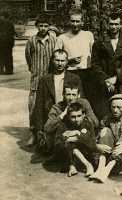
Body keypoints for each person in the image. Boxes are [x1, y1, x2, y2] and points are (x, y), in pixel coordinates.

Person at [31, 49, 83, 149]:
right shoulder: (44, 79)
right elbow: (39, 105)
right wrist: (39, 130)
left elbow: (81, 100)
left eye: (62, 61)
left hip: (71, 116)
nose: (60, 64)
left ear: (67, 61)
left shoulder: (75, 78)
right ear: (52, 61)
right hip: (52, 118)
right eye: (57, 60)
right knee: (48, 148)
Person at [55, 10, 95, 114]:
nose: (75, 24)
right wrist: (69, 61)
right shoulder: (62, 38)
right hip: (71, 73)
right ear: (69, 21)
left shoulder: (88, 35)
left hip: (87, 72)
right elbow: (55, 59)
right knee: (71, 100)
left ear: (82, 22)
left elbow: (94, 54)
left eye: (78, 21)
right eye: (73, 21)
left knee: (87, 100)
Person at [25, 14, 57, 142]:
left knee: (49, 105)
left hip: (50, 79)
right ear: (37, 26)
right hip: (37, 79)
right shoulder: (32, 41)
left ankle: (48, 133)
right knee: (33, 106)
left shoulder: (54, 39)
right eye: (41, 26)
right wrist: (34, 70)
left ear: (49, 27)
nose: (43, 28)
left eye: (46, 26)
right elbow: (28, 58)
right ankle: (33, 132)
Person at [44, 83, 98, 154]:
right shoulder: (57, 107)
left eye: (74, 95)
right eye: (68, 94)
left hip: (80, 135)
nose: (71, 98)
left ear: (78, 95)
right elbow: (47, 128)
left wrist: (81, 117)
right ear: (63, 95)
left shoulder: (84, 103)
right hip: (64, 139)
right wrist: (62, 114)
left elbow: (96, 123)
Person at [91, 13, 122, 119]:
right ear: (107, 25)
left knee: (121, 112)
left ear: (120, 25)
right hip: (104, 84)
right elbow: (95, 64)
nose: (114, 27)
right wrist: (107, 80)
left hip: (121, 83)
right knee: (104, 114)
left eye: (116, 24)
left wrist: (117, 78)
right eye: (111, 24)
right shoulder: (99, 43)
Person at [54, 102, 98, 177]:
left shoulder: (87, 124)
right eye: (73, 117)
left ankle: (87, 165)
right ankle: (73, 166)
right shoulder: (63, 124)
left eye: (79, 116)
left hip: (85, 153)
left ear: (83, 115)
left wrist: (77, 135)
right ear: (68, 116)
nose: (76, 119)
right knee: (67, 144)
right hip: (68, 156)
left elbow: (92, 144)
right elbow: (57, 143)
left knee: (72, 141)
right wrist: (66, 138)